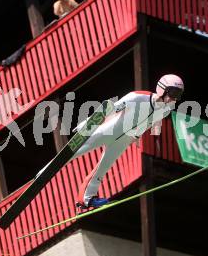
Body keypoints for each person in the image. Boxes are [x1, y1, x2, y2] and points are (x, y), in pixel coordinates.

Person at [73, 74, 184, 209]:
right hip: (110, 130)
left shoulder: (166, 110)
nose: (175, 98)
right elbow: (112, 109)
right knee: (75, 152)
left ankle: (87, 199)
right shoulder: (138, 97)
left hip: (124, 140)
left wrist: (136, 137)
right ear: (163, 88)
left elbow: (148, 124)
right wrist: (86, 124)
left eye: (178, 94)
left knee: (103, 168)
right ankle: (43, 173)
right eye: (173, 92)